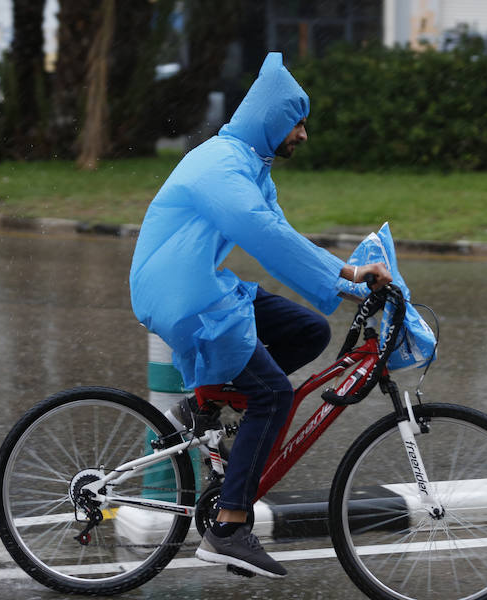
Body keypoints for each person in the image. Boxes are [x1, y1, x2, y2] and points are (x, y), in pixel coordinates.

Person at [129, 52, 391, 578]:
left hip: (203, 286)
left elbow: (284, 238)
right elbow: (264, 236)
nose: (303, 135)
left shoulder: (251, 166)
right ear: (272, 121)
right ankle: (227, 526)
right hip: (184, 296)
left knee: (308, 330)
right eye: (297, 123)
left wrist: (350, 287)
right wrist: (353, 276)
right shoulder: (221, 166)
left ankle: (210, 411)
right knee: (272, 394)